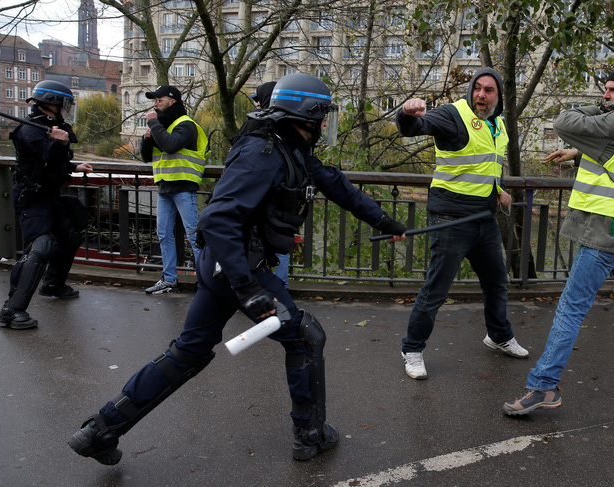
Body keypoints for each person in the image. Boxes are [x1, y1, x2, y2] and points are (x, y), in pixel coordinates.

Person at [68, 73, 406, 465]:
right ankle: (309, 434)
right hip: (238, 268)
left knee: (188, 352)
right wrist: (248, 288)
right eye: (323, 116)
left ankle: (99, 430)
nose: (325, 124)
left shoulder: (289, 149)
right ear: (307, 114)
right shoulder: (263, 154)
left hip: (221, 268)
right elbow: (217, 220)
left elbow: (337, 186)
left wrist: (385, 222)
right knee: (304, 336)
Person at [503, 67, 614, 415]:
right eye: (605, 91)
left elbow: (564, 121)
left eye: (612, 91)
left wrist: (601, 108)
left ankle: (544, 386)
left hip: (605, 231)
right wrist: (578, 154)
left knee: (571, 307)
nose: (605, 95)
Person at [395, 67, 528, 380]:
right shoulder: (453, 115)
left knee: (497, 282)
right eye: (478, 88)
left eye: (489, 90)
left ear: (499, 96)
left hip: (484, 217)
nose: (481, 94)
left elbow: (489, 163)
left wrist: (499, 189)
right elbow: (414, 127)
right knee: (436, 289)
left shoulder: (498, 125)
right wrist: (407, 113)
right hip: (450, 219)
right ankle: (412, 349)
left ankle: (498, 335)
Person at [0, 80, 92, 330]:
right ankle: (12, 310)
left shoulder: (49, 127)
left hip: (49, 195)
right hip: (33, 197)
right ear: (52, 103)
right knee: (41, 246)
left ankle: (53, 284)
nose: (65, 110)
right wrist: (59, 145)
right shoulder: (30, 130)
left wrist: (73, 166)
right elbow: (46, 160)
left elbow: (55, 165)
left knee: (70, 236)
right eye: (64, 105)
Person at [140, 85, 208, 294]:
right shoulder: (163, 127)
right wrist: (146, 139)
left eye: (159, 100)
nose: (155, 104)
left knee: (194, 235)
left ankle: (206, 282)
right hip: (165, 187)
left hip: (183, 187)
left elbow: (171, 146)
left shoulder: (186, 124)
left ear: (172, 101)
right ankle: (169, 279)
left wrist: (152, 122)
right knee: (163, 234)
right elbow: (146, 157)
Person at [240, 81, 291, 287]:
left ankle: (254, 281)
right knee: (280, 237)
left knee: (254, 237)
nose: (257, 106)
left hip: (256, 193)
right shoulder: (290, 123)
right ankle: (280, 284)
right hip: (283, 192)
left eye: (258, 101)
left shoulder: (254, 123)